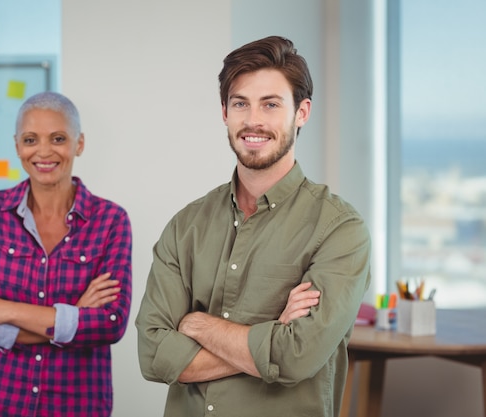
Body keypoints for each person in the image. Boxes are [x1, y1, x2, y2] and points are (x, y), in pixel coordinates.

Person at [135, 36, 370, 416]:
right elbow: (154, 355)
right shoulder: (186, 226)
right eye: (240, 103)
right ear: (224, 112)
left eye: (271, 104)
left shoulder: (340, 230)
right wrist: (272, 332)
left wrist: (198, 326)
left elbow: (297, 356)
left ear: (302, 112)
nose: (253, 120)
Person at [0, 91, 132, 417]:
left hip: (78, 407)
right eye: (31, 139)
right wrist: (73, 316)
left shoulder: (110, 220)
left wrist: (2, 309)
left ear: (79, 143)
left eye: (58, 138)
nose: (44, 151)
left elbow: (110, 323)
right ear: (18, 145)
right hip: (0, 404)